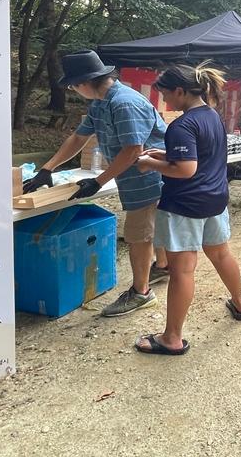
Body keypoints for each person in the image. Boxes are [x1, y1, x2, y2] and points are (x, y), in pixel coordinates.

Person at [22, 50, 170, 318]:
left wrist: (99, 181)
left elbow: (133, 150)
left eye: (72, 86)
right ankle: (163, 265)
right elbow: (78, 139)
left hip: (147, 176)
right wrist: (47, 168)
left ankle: (141, 293)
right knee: (151, 226)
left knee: (139, 234)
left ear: (83, 83)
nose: (73, 91)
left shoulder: (123, 103)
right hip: (133, 172)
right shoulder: (101, 103)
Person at [132, 63, 241, 355]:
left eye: (167, 96)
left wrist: (149, 163)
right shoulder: (212, 116)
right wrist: (164, 154)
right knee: (221, 254)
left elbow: (185, 169)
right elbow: (202, 156)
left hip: (185, 204)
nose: (165, 102)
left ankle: (171, 338)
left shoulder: (182, 125)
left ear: (181, 91)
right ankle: (240, 303)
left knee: (183, 271)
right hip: (214, 200)